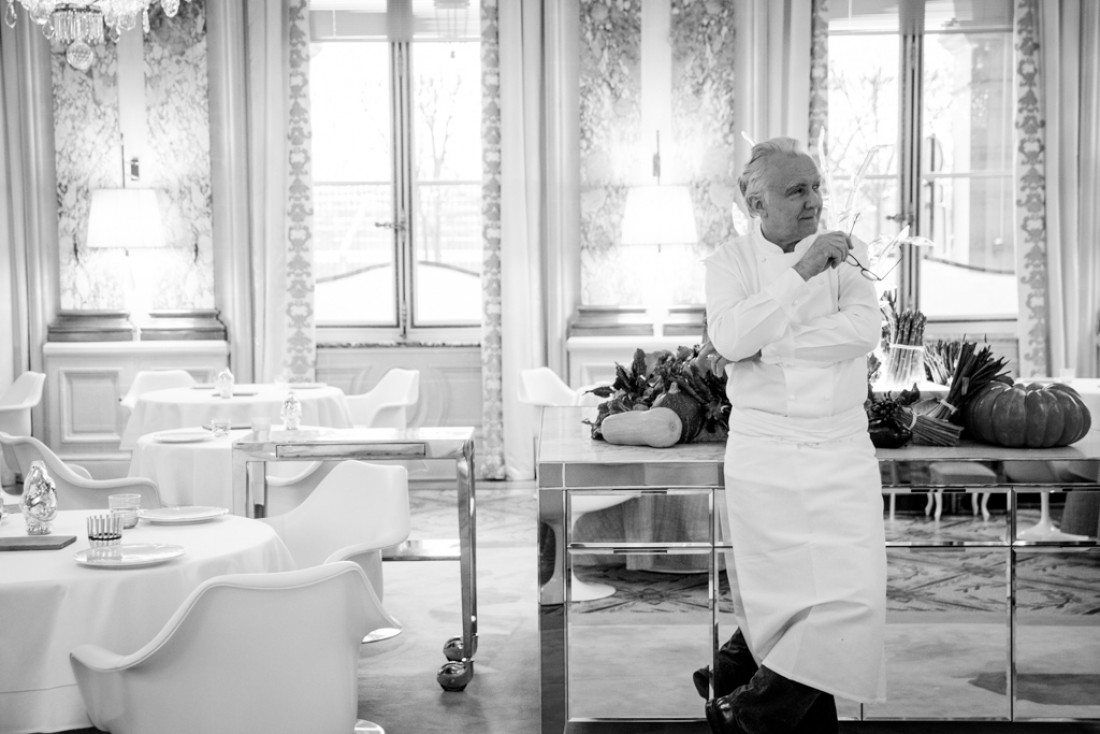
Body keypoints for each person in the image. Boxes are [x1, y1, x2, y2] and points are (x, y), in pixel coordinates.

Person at [698, 137, 887, 733]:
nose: (814, 201)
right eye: (797, 190)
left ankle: (743, 705)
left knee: (852, 599)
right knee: (784, 604)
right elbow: (730, 340)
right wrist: (802, 272)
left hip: (841, 447)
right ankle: (740, 689)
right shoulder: (727, 263)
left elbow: (863, 330)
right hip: (766, 452)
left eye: (816, 186)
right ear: (757, 204)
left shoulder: (848, 251)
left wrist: (772, 344)